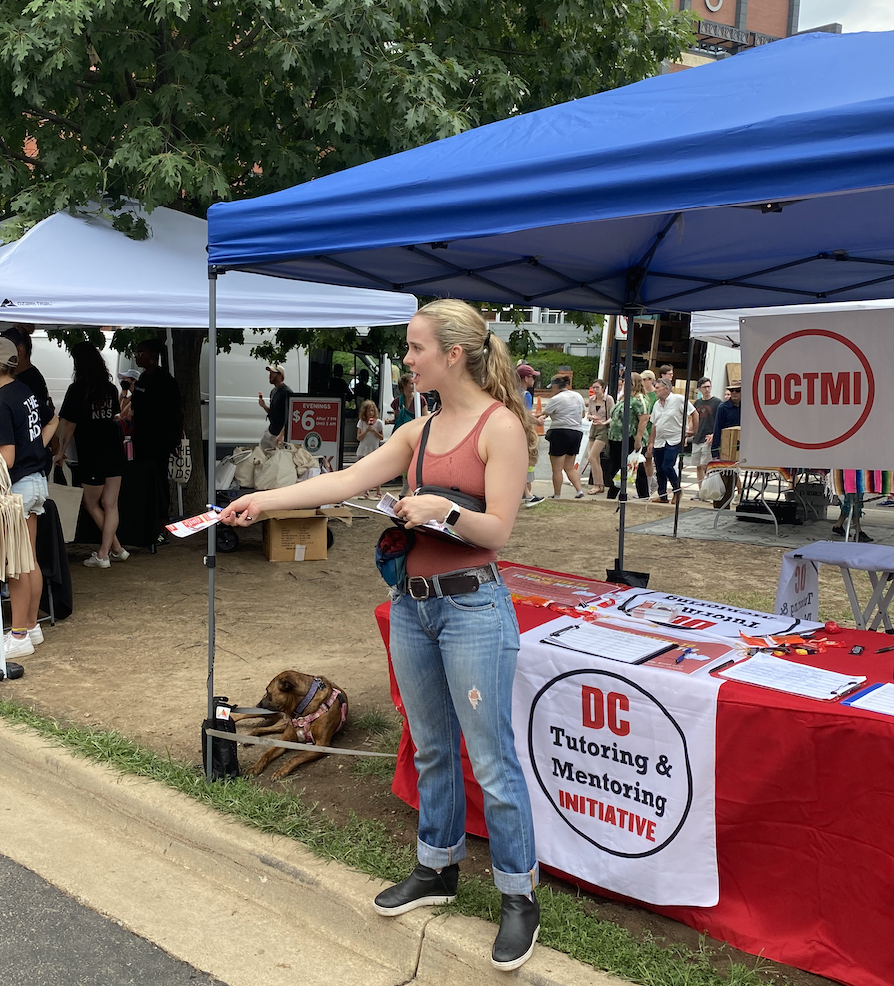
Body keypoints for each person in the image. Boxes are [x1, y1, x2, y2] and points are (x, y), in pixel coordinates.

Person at [220, 299, 541, 971]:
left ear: (453, 354)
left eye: (416, 348)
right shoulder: (417, 430)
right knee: (429, 747)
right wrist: (260, 502)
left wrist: (444, 509)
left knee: (491, 758)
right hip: (413, 608)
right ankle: (437, 867)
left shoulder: (499, 426)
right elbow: (341, 480)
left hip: (473, 609)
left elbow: (499, 532)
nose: (407, 358)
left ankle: (518, 896)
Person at [0, 336, 58, 658]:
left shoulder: (1, 399)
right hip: (37, 482)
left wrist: (22, 452)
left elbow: (6, 457)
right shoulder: (25, 391)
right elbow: (52, 420)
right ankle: (31, 627)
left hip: (18, 486)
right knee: (30, 560)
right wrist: (37, 449)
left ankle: (19, 634)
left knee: (17, 566)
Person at [55, 341, 129, 568]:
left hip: (92, 453)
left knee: (91, 503)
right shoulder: (110, 388)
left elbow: (69, 425)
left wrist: (60, 452)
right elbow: (115, 417)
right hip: (114, 451)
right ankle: (115, 549)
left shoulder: (77, 390)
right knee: (111, 504)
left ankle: (105, 554)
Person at [130, 338, 183, 544]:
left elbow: (178, 412)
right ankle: (146, 523)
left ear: (152, 356)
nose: (137, 357)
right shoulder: (142, 379)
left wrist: (176, 440)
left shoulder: (166, 381)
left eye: (140, 353)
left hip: (160, 441)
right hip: (141, 439)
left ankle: (162, 525)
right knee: (144, 480)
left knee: (160, 482)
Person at [646, 378, 697, 505]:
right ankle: (662, 495)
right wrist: (651, 442)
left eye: (658, 388)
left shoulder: (678, 399)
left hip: (674, 439)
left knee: (667, 466)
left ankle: (677, 490)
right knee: (659, 469)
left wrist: (694, 430)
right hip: (660, 440)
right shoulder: (657, 404)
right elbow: (654, 425)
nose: (655, 390)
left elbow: (694, 413)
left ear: (666, 389)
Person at [535, 375, 585, 500]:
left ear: (555, 385)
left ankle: (557, 495)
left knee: (557, 468)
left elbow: (545, 414)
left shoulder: (556, 399)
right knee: (569, 466)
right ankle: (579, 490)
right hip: (576, 432)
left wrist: (533, 417)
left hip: (560, 432)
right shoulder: (578, 396)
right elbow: (583, 414)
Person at [606, 371, 650, 501]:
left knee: (635, 466)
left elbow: (643, 420)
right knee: (616, 466)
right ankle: (614, 491)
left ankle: (643, 495)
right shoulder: (623, 397)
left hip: (630, 437)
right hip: (615, 437)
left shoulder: (639, 399)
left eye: (628, 383)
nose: (624, 384)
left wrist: (638, 439)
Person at [711, 380, 742, 509]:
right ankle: (719, 505)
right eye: (732, 391)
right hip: (725, 446)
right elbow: (717, 428)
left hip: (739, 447)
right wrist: (715, 452)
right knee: (723, 477)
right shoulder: (723, 407)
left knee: (733, 477)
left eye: (737, 391)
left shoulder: (746, 407)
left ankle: (727, 504)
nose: (734, 393)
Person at [516, 364, 544, 506]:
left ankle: (527, 494)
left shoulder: (513, 393)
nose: (534, 379)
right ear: (525, 378)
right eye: (532, 376)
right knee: (525, 463)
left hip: (513, 431)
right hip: (523, 432)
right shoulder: (525, 395)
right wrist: (538, 421)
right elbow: (526, 416)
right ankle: (528, 495)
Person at [689, 377, 721, 495]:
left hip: (709, 437)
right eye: (704, 387)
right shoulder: (697, 403)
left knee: (705, 465)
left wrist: (714, 434)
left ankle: (708, 488)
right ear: (699, 389)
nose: (707, 389)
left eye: (709, 386)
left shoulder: (717, 402)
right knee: (697, 465)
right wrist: (689, 433)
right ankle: (701, 490)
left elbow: (719, 421)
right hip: (697, 436)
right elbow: (692, 419)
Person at [585, 379, 613, 494]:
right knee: (595, 459)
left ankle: (597, 485)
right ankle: (600, 484)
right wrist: (592, 417)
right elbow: (588, 414)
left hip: (603, 429)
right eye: (593, 388)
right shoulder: (592, 400)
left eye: (597, 387)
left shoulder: (608, 399)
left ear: (603, 388)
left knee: (591, 457)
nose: (595, 390)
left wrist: (604, 422)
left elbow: (613, 415)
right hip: (593, 428)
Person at [258, 363, 294, 451]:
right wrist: (264, 406)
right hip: (270, 432)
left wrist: (282, 435)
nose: (269, 375)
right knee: (260, 455)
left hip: (279, 436)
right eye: (269, 373)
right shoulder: (273, 391)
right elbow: (274, 413)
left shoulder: (287, 392)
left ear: (280, 375)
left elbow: (290, 416)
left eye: (272, 372)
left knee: (278, 461)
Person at [356, 399, 384, 498]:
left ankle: (378, 491)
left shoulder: (379, 423)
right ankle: (365, 491)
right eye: (369, 411)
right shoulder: (362, 422)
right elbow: (358, 437)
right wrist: (366, 430)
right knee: (364, 471)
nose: (371, 413)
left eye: (372, 410)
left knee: (376, 471)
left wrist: (374, 431)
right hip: (364, 449)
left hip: (374, 449)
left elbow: (381, 437)